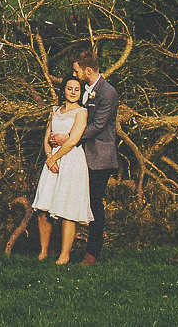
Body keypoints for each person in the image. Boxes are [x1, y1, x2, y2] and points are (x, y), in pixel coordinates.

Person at [30, 74, 92, 265]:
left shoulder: (81, 112)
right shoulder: (55, 110)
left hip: (70, 160)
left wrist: (55, 158)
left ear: (80, 93)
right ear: (63, 90)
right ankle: (43, 251)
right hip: (52, 160)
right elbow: (47, 136)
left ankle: (64, 255)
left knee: (67, 207)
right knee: (43, 206)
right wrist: (49, 157)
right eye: (69, 88)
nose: (73, 92)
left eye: (76, 89)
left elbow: (73, 140)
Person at [70, 50, 119, 263]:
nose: (74, 73)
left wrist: (71, 138)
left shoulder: (108, 92)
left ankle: (93, 253)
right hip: (83, 154)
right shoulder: (86, 89)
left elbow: (98, 125)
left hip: (100, 156)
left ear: (88, 70)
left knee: (94, 203)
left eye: (76, 70)